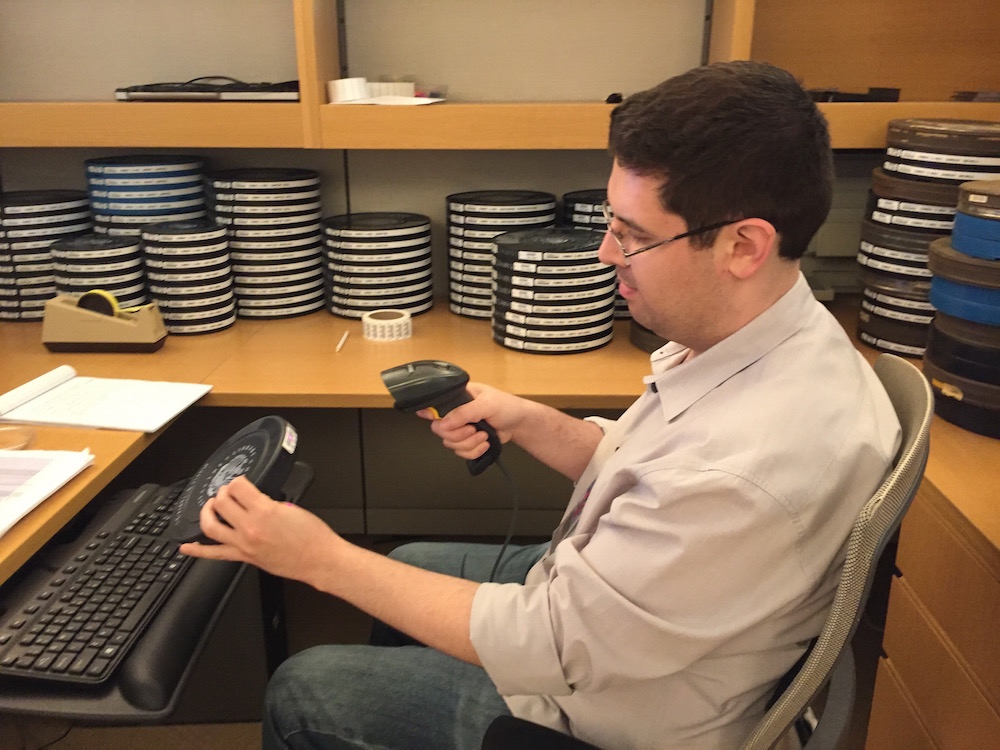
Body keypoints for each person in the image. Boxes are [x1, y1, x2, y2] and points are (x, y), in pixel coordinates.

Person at [181, 60, 902, 750]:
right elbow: (651, 470)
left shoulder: (747, 469)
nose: (605, 254)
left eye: (633, 236)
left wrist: (319, 559)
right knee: (407, 562)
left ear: (744, 246)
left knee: (303, 688)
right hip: (631, 625)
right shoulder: (774, 337)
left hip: (605, 716)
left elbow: (551, 641)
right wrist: (528, 419)